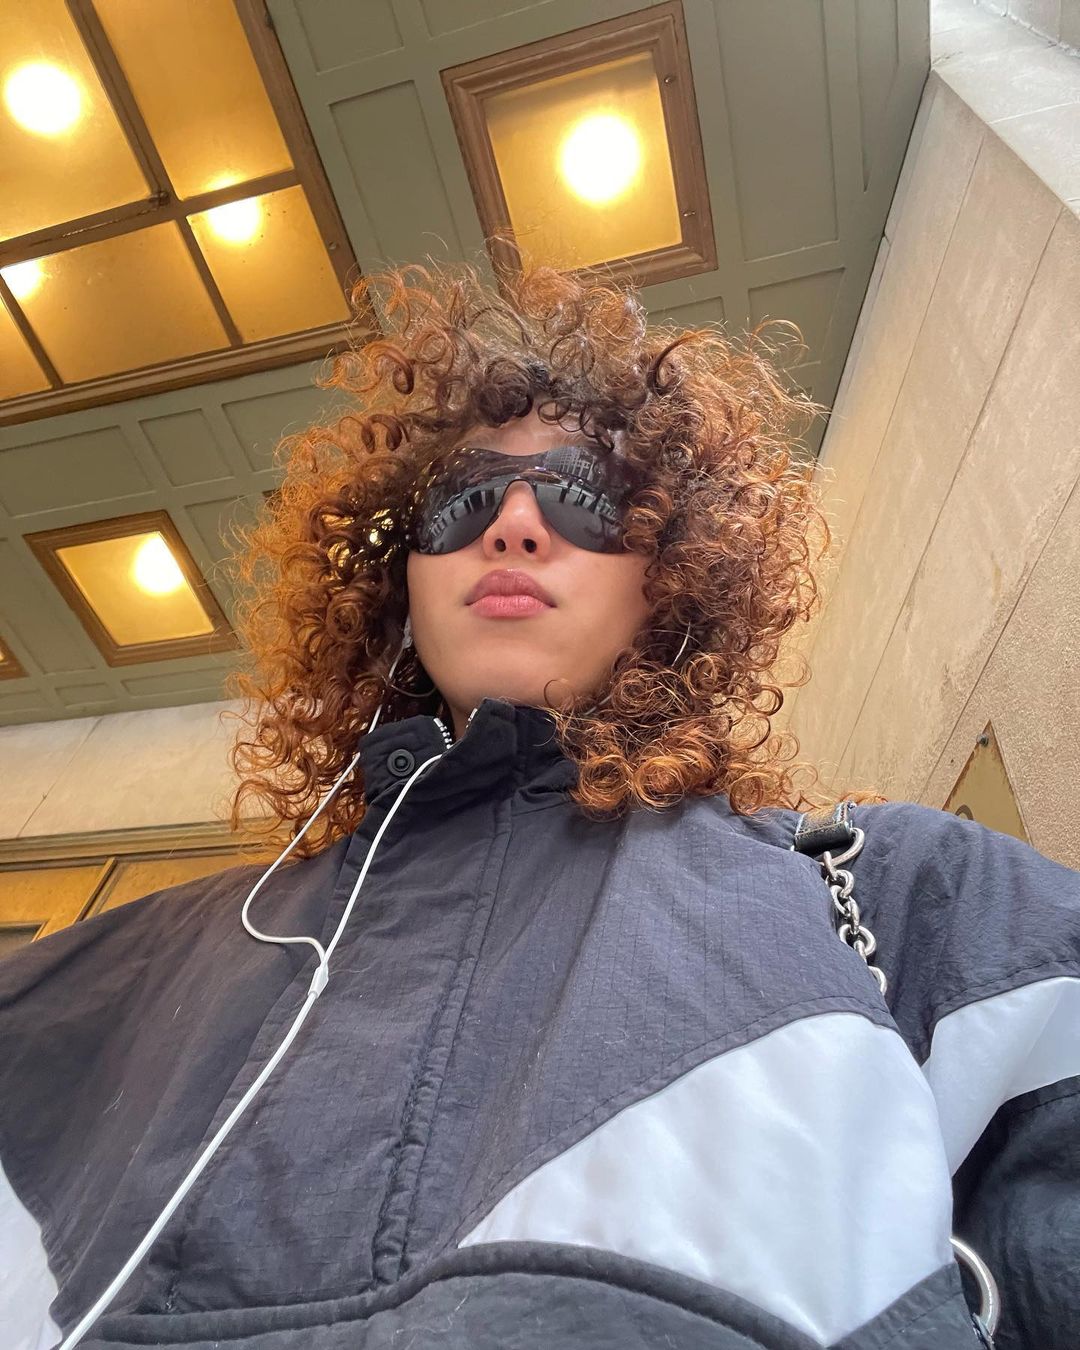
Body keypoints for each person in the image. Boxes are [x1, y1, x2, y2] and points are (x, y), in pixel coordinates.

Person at [0, 264, 1077, 1350]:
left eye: (586, 496)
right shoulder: (124, 970)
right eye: (465, 498)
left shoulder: (910, 896)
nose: (513, 525)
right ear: (401, 580)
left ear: (669, 579)